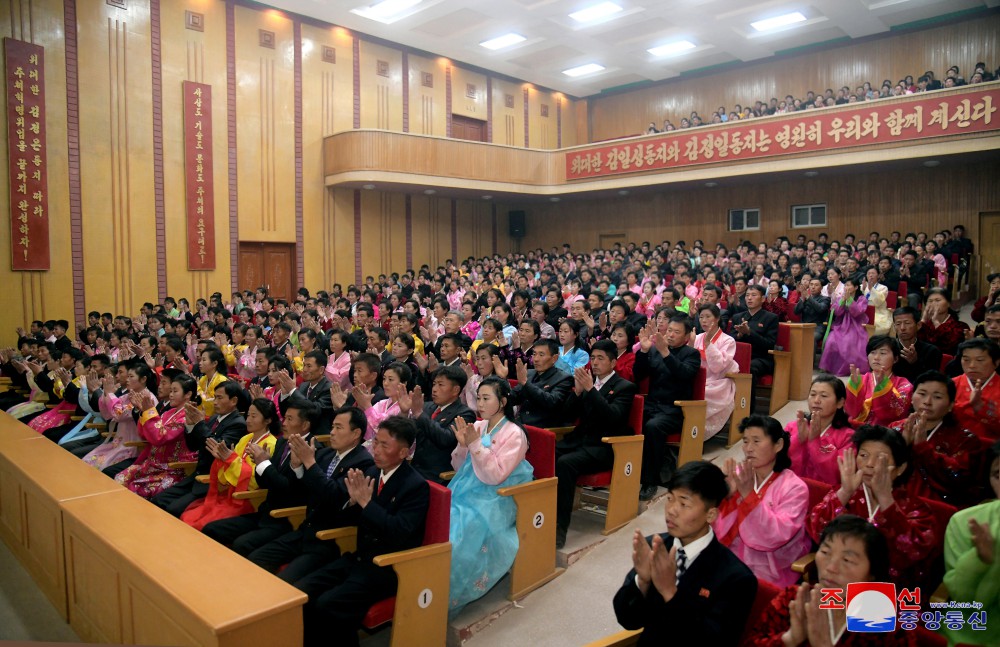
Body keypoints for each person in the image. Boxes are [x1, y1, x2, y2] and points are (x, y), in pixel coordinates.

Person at [298, 416, 430, 647]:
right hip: (359, 558)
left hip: (387, 567)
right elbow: (345, 508)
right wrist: (351, 502)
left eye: (384, 445)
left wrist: (367, 504)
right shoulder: (371, 471)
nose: (376, 450)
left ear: (403, 452)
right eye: (375, 442)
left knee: (329, 604)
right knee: (303, 591)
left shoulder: (416, 486)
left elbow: (399, 533)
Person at [612, 461, 757, 646]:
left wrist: (670, 592)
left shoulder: (736, 577)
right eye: (670, 499)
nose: (671, 511)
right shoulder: (656, 547)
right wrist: (643, 581)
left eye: (683, 503)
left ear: (710, 515)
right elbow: (628, 620)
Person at [246, 407, 374, 584]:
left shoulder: (363, 463)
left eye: (338, 428)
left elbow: (334, 496)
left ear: (356, 433)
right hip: (305, 530)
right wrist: (298, 467)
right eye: (332, 427)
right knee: (255, 558)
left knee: (285, 582)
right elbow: (303, 490)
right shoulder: (326, 454)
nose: (332, 432)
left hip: (328, 539)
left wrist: (309, 463)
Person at [747, 514, 915, 647]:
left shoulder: (887, 626)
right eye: (825, 552)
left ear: (873, 573)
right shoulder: (794, 599)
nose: (831, 567)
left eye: (847, 560)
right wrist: (790, 639)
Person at [806, 425, 936, 586]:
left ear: (900, 468)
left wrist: (886, 500)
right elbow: (816, 529)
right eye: (863, 455)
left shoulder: (916, 508)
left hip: (890, 590)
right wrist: (845, 492)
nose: (869, 464)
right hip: (838, 581)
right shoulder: (847, 494)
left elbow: (913, 552)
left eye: (881, 458)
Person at [448, 377, 533, 613]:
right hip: (466, 490)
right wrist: (463, 446)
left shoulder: (515, 434)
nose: (480, 404)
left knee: (459, 533)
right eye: (479, 398)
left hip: (497, 497)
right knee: (438, 521)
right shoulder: (477, 426)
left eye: (486, 399)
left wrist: (475, 446)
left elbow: (496, 476)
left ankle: (450, 593)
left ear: (503, 401)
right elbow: (459, 468)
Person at [202, 398, 319, 555]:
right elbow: (264, 483)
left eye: (290, 419)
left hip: (286, 518)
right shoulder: (282, 443)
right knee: (212, 529)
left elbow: (287, 488)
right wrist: (258, 465)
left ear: (305, 425)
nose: (283, 423)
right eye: (284, 417)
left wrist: (264, 464)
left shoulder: (314, 450)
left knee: (241, 544)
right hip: (265, 512)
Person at [554, 340, 637, 547]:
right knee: (546, 453)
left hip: (604, 447)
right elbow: (566, 415)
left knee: (565, 463)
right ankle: (541, 515)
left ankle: (559, 528)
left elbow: (613, 418)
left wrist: (591, 390)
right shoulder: (587, 381)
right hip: (580, 441)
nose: (595, 363)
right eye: (593, 358)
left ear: (613, 362)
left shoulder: (624, 387)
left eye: (601, 358)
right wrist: (578, 392)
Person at [714, 415, 811, 586]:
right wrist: (726, 496)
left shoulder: (795, 487)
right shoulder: (739, 474)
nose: (748, 448)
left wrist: (748, 496)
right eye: (745, 441)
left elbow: (776, 535)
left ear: (778, 445)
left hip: (771, 566)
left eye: (756, 441)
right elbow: (713, 524)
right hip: (730, 554)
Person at [180, 397, 280, 530]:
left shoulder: (271, 444)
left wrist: (231, 460)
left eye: (254, 416)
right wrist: (222, 460)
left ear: (268, 420)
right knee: (188, 516)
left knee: (203, 525)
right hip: (228, 494)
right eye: (248, 415)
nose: (248, 419)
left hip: (246, 499)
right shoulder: (246, 438)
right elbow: (227, 474)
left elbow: (254, 481)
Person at [151, 380, 248, 516]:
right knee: (158, 499)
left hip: (212, 481)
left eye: (220, 398)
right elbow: (193, 446)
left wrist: (199, 424)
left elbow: (216, 448)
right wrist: (191, 425)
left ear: (233, 401)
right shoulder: (215, 418)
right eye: (214, 397)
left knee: (173, 510)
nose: (215, 402)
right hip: (196, 476)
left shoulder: (238, 424)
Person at [890, 371, 984, 508]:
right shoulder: (896, 428)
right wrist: (903, 446)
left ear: (951, 405)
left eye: (937, 397)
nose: (927, 402)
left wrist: (922, 448)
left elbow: (958, 479)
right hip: (896, 500)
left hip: (939, 507)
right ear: (911, 397)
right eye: (922, 394)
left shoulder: (966, 440)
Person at [939, 440, 1000, 647]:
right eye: (998, 476)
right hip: (970, 635)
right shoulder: (965, 521)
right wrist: (980, 559)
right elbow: (964, 599)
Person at [634, 314, 702, 500]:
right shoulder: (655, 350)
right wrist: (644, 352)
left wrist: (665, 353)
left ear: (687, 336)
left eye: (676, 332)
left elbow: (684, 375)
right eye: (669, 330)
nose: (671, 335)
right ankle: (627, 474)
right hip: (652, 405)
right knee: (626, 419)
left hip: (675, 409)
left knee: (653, 427)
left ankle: (650, 481)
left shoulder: (692, 354)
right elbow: (638, 375)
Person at [115, 373, 200, 499]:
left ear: (188, 394)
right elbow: (145, 434)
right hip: (152, 465)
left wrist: (149, 411)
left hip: (172, 469)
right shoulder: (169, 412)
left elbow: (159, 437)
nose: (170, 394)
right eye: (170, 390)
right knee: (120, 479)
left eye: (175, 391)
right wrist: (143, 411)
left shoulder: (187, 417)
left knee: (139, 491)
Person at [408, 365, 477, 483]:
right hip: (414, 468)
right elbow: (409, 433)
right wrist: (405, 412)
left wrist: (419, 414)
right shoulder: (427, 406)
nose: (434, 389)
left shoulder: (465, 413)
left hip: (438, 476)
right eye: (434, 384)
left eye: (440, 385)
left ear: (455, 390)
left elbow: (445, 439)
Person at [786, 374, 854, 487]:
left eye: (824, 396)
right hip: (790, 490)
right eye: (812, 394)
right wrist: (798, 440)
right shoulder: (793, 427)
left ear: (840, 402)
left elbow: (837, 474)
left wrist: (814, 442)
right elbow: (778, 463)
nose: (816, 400)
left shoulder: (848, 437)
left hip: (826, 497)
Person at [729, 285, 778, 412]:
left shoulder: (770, 318)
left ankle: (747, 410)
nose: (749, 298)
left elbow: (769, 344)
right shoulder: (737, 317)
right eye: (747, 295)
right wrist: (739, 335)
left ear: (762, 299)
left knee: (749, 368)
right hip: (739, 356)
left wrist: (750, 333)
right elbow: (730, 340)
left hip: (761, 358)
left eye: (753, 295)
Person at [846, 336, 913, 428]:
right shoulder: (859, 380)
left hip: (887, 433)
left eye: (883, 353)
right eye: (872, 352)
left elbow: (896, 413)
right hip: (859, 430)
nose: (876, 357)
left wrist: (883, 387)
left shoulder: (904, 384)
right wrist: (853, 388)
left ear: (895, 359)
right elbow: (851, 412)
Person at [509, 339, 575, 429]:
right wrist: (503, 379)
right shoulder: (529, 373)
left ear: (554, 358)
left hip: (543, 429)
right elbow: (513, 398)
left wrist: (526, 383)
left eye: (541, 355)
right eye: (534, 354)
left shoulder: (564, 378)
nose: (535, 359)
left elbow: (551, 402)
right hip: (520, 425)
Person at [693, 305, 737, 439]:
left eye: (708, 317)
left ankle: (698, 435)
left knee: (702, 395)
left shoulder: (728, 340)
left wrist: (708, 345)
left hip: (718, 381)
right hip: (698, 378)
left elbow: (718, 367)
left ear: (717, 319)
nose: (704, 320)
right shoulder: (697, 337)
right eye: (701, 317)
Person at [951, 338, 1000, 442]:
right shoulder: (950, 384)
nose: (972, 365)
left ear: (996, 362)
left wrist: (980, 408)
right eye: (966, 359)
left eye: (980, 360)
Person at [819, 277, 869, 377]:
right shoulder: (840, 298)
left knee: (848, 342)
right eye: (845, 285)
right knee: (831, 341)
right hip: (841, 325)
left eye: (849, 285)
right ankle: (830, 367)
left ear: (855, 287)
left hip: (855, 325)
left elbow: (857, 312)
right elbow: (837, 312)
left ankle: (848, 368)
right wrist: (842, 300)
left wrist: (850, 300)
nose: (846, 287)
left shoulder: (861, 299)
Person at [891, 306, 943, 384]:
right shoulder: (889, 348)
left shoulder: (932, 351)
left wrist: (915, 362)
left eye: (907, 323)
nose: (902, 328)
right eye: (898, 324)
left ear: (918, 325)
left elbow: (930, 381)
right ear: (894, 327)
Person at [918, 288, 969, 356]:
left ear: (948, 303)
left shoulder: (960, 326)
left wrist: (936, 323)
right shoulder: (925, 325)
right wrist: (923, 320)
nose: (933, 304)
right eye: (930, 301)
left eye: (937, 300)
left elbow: (949, 346)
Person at [793, 276, 830, 350]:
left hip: (817, 327)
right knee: (792, 336)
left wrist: (808, 297)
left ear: (821, 288)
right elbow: (796, 312)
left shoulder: (825, 299)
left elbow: (820, 309)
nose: (813, 287)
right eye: (811, 284)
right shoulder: (805, 298)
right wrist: (802, 299)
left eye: (816, 285)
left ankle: (809, 361)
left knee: (810, 338)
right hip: (803, 326)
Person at [861, 265, 891, 335]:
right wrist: (863, 290)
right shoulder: (862, 286)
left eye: (873, 273)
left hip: (878, 313)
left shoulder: (883, 288)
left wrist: (872, 289)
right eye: (869, 273)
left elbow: (878, 302)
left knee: (875, 326)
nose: (871, 275)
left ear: (878, 275)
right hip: (863, 312)